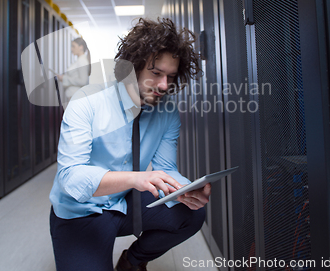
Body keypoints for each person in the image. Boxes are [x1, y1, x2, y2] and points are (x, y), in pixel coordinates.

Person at [49, 18, 211, 271]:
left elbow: (166, 167)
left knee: (191, 213)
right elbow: (70, 177)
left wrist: (185, 189)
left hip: (125, 201)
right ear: (132, 68)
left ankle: (132, 262)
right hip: (80, 211)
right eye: (156, 73)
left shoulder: (167, 111)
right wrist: (134, 179)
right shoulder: (87, 102)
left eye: (170, 76)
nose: (163, 86)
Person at [57, 37, 91, 104]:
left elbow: (83, 81)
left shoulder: (82, 61)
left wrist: (64, 78)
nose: (71, 49)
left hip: (77, 99)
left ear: (81, 47)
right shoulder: (80, 60)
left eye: (73, 46)